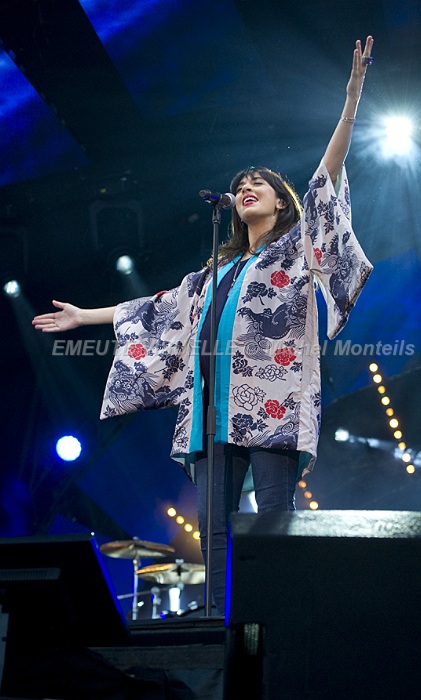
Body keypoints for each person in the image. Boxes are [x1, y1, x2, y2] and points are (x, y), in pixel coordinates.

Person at [33, 36, 375, 616]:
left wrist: (351, 102)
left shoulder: (296, 247)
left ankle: (280, 615)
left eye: (259, 184)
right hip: (213, 407)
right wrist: (83, 316)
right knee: (213, 523)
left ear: (281, 202)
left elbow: (326, 177)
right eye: (241, 185)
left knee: (274, 514)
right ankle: (217, 619)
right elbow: (159, 307)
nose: (246, 189)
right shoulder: (216, 270)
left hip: (274, 400)